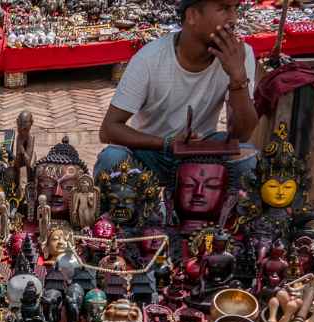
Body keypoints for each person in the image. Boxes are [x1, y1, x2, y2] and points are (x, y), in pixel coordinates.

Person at [95, 0, 258, 188]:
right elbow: (108, 129)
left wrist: (238, 78)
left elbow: (242, 134)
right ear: (192, 16)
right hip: (154, 153)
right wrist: (167, 143)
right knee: (111, 159)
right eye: (223, 9)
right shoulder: (150, 59)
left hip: (202, 153)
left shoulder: (239, 55)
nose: (234, 18)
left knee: (249, 158)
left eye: (235, 9)